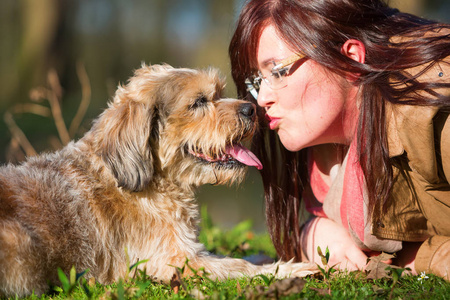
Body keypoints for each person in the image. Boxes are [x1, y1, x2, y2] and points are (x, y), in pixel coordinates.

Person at [229, 0, 450, 279]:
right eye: (258, 80)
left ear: (351, 60)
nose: (262, 99)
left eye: (278, 71)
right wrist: (315, 232)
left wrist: (416, 258)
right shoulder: (325, 142)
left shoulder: (434, 114)